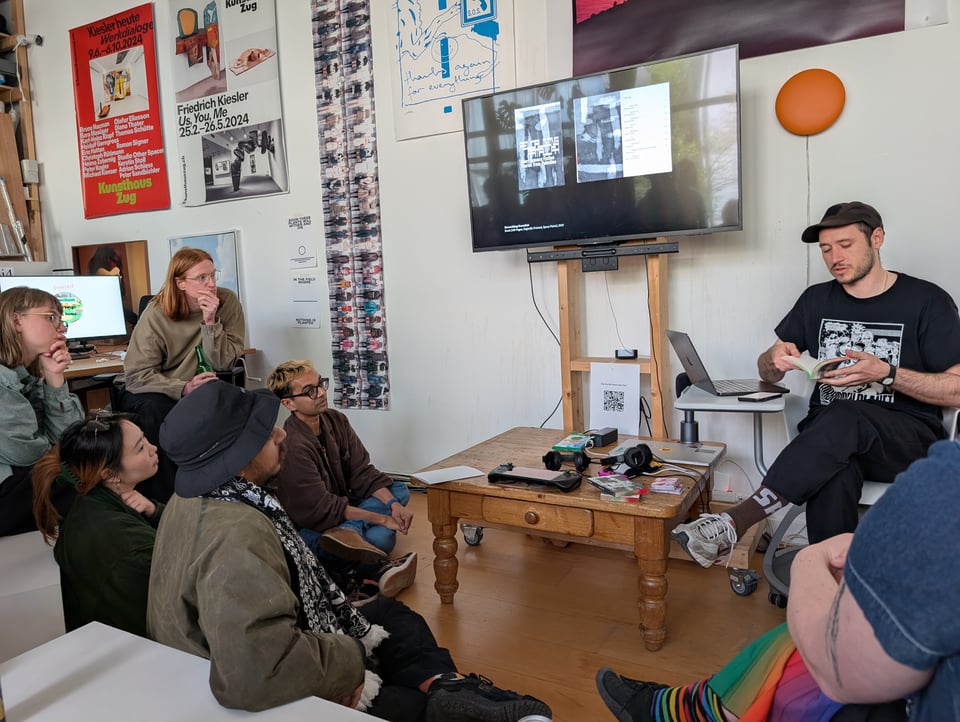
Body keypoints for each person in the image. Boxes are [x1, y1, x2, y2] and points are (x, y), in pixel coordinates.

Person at [148, 381, 552, 721]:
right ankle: (442, 700)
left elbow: (364, 473)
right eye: (266, 434)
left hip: (263, 645)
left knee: (391, 615)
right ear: (239, 456)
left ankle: (449, 689)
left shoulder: (198, 499)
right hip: (250, 680)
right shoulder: (237, 534)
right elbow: (255, 672)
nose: (280, 434)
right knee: (408, 703)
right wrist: (348, 655)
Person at [673, 201, 960, 567]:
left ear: (877, 238)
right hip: (829, 442)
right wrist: (774, 360)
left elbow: (956, 390)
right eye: (826, 249)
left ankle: (738, 520)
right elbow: (767, 372)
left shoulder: (927, 301)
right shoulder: (816, 300)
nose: (834, 257)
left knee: (845, 416)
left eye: (845, 245)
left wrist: (886, 373)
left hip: (904, 442)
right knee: (834, 471)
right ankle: (832, 586)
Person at [596, 437, 960, 721]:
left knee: (803, 653)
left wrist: (810, 560)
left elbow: (836, 666)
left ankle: (690, 710)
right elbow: (770, 374)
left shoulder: (948, 486)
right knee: (838, 455)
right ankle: (696, 707)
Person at [266, 359, 417, 599]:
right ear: (288, 403)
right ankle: (367, 560)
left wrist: (393, 505)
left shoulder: (335, 419)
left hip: (344, 512)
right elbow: (323, 508)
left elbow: (362, 472)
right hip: (314, 529)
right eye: (310, 391)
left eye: (321, 384)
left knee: (399, 490)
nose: (321, 393)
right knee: (383, 537)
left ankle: (351, 541)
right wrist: (382, 518)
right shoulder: (293, 444)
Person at [120, 247, 245, 502]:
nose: (211, 284)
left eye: (213, 275)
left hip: (205, 386)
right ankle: (167, 501)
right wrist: (183, 388)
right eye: (202, 278)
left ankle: (229, 493)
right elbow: (137, 375)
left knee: (246, 405)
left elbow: (224, 362)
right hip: (159, 388)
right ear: (180, 283)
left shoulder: (227, 302)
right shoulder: (156, 312)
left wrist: (210, 322)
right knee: (157, 412)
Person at [31, 413, 161, 637]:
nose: (153, 448)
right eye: (140, 448)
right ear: (110, 474)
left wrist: (154, 511)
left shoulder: (87, 502)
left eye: (145, 438)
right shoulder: (133, 548)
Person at [0, 287, 84, 536]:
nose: (61, 328)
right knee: (96, 472)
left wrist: (54, 376)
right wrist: (58, 446)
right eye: (51, 317)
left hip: (20, 480)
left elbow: (68, 437)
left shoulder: (23, 375)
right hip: (6, 490)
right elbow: (27, 454)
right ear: (16, 321)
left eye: (61, 319)